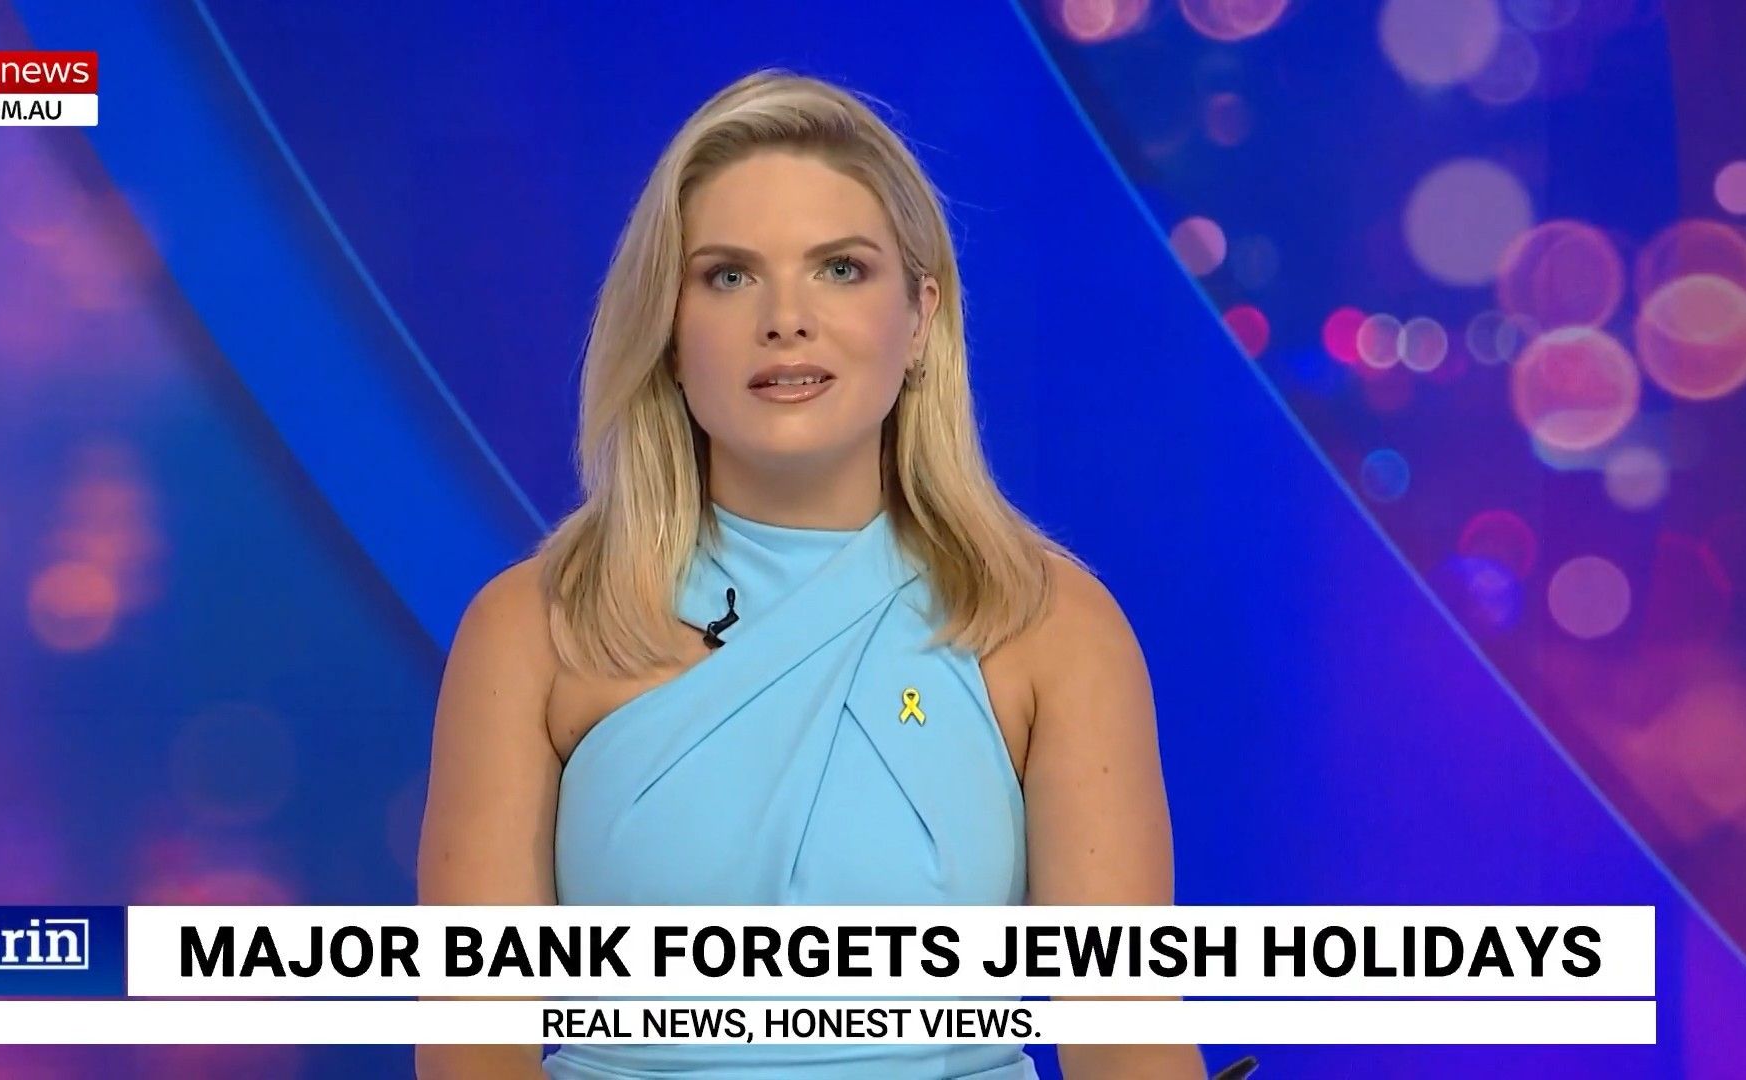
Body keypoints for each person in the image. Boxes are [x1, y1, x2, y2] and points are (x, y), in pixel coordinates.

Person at [417, 68, 1200, 1080]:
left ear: (920, 319)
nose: (785, 318)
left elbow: (1127, 1039)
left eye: (839, 269)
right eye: (729, 276)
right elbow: (473, 1052)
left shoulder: (1051, 629)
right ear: (667, 331)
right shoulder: (533, 631)